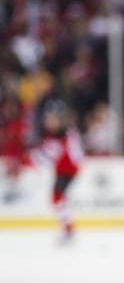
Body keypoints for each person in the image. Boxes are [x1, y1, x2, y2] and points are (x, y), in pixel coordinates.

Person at [28, 99, 84, 244]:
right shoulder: (50, 132)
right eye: (48, 118)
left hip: (69, 169)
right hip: (62, 168)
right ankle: (68, 229)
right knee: (57, 199)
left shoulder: (65, 135)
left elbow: (50, 157)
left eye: (54, 118)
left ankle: (68, 230)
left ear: (61, 118)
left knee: (57, 198)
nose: (50, 122)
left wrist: (31, 160)